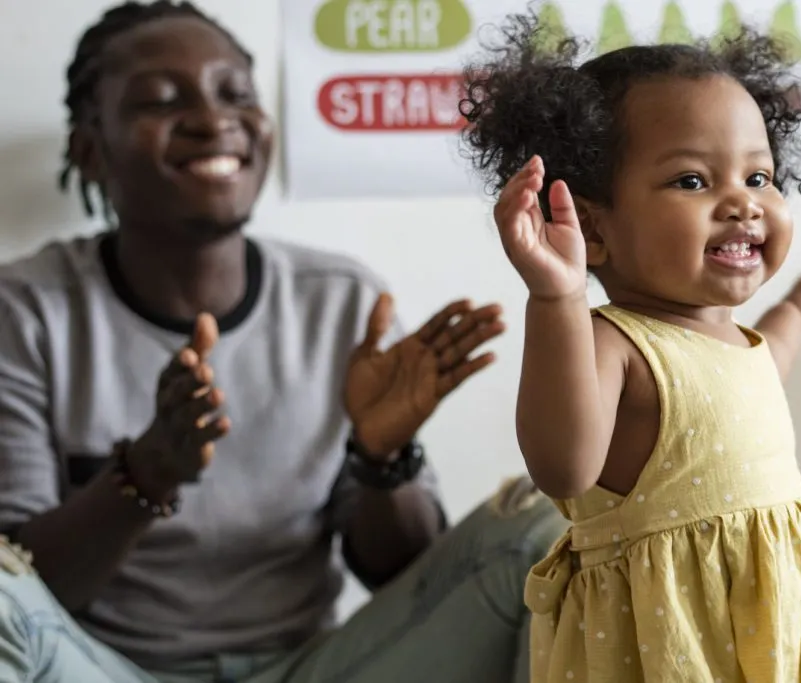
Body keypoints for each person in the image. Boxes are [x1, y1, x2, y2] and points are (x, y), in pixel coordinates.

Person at [0, 2, 566, 682]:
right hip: (101, 668)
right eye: (160, 100)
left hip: (314, 668)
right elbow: (27, 584)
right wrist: (143, 474)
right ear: (91, 149)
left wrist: (381, 457)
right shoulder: (27, 310)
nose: (214, 120)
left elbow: (405, 574)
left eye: (236, 93)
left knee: (543, 528)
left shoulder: (341, 302)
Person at [460, 13, 801, 683]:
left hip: (775, 636)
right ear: (593, 228)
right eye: (693, 181)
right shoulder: (615, 342)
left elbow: (761, 370)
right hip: (671, 646)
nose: (742, 205)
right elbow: (565, 464)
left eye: (758, 177)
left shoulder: (731, 338)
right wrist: (558, 298)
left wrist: (800, 308)